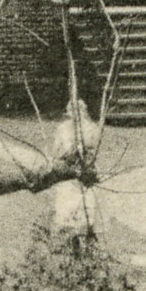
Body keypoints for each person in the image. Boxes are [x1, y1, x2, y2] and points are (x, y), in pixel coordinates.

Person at [50, 100, 104, 243]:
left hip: (85, 172)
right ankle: (69, 240)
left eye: (78, 111)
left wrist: (82, 150)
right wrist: (67, 153)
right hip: (68, 171)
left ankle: (85, 239)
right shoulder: (62, 128)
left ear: (83, 112)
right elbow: (56, 152)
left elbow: (94, 150)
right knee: (67, 207)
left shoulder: (91, 128)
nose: (75, 115)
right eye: (72, 111)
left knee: (85, 207)